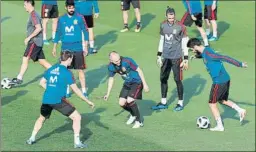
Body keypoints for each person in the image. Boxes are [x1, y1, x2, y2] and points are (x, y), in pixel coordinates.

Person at [26, 51, 95, 148]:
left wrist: (51, 89)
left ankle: (31, 138)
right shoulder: (67, 73)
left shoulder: (51, 69)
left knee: (42, 118)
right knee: (77, 117)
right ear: (69, 59)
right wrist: (87, 101)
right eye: (72, 59)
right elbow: (75, 90)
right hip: (58, 100)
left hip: (46, 99)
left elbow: (41, 83)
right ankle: (77, 142)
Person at [187, 38, 247, 131]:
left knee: (212, 103)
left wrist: (240, 64)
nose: (192, 51)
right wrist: (197, 57)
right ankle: (240, 110)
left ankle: (220, 126)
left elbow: (224, 57)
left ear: (195, 46)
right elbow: (204, 55)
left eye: (192, 49)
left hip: (219, 81)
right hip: (225, 79)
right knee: (222, 100)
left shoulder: (209, 54)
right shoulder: (206, 50)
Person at [151, 7, 189, 111]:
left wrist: (186, 58)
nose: (171, 19)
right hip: (166, 57)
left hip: (176, 58)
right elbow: (162, 39)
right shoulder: (163, 25)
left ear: (175, 16)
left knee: (178, 80)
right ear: (166, 16)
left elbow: (184, 42)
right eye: (169, 18)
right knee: (163, 79)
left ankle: (180, 103)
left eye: (172, 18)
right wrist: (159, 55)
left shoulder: (181, 26)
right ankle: (163, 102)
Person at [52, 0, 89, 98]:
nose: (71, 9)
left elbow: (85, 31)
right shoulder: (61, 19)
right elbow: (58, 33)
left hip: (77, 48)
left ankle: (84, 91)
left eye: (72, 7)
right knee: (66, 71)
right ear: (66, 8)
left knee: (80, 70)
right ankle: (67, 90)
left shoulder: (80, 17)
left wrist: (86, 46)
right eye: (69, 7)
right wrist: (54, 47)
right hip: (65, 49)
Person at [103, 51, 149, 128]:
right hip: (127, 83)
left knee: (130, 100)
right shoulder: (111, 67)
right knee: (121, 103)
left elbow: (139, 70)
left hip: (137, 82)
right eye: (116, 61)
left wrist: (145, 84)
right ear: (111, 61)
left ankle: (139, 121)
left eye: (119, 60)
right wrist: (107, 94)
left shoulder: (127, 61)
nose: (118, 62)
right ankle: (133, 114)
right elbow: (111, 79)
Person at [11, 0, 51, 85]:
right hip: (38, 42)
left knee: (25, 58)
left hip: (34, 42)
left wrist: (28, 38)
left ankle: (19, 78)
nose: (24, 6)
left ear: (29, 4)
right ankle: (56, 74)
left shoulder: (33, 14)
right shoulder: (34, 14)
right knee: (42, 62)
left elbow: (38, 28)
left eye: (25, 5)